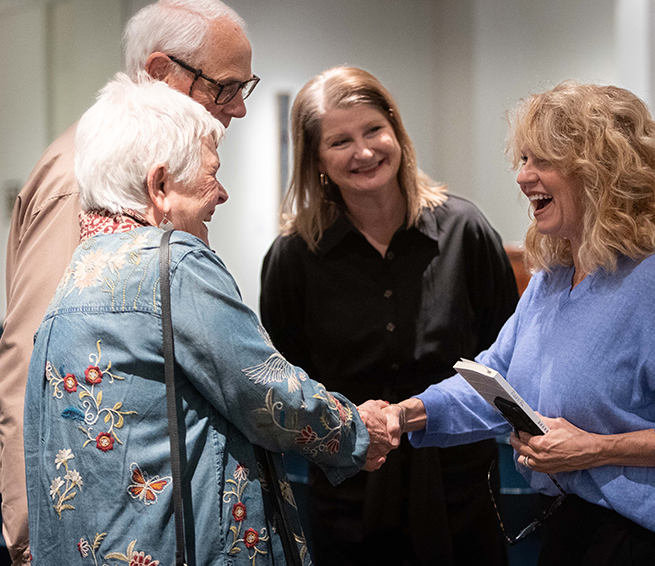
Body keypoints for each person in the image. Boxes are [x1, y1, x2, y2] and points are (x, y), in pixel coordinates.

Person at [384, 81, 655, 566]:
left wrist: (595, 449)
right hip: (569, 529)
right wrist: (404, 414)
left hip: (645, 547)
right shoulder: (552, 278)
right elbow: (494, 383)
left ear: (601, 172)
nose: (523, 177)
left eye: (541, 160)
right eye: (522, 160)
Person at [24, 74, 394, 566]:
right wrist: (358, 431)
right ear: (159, 186)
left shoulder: (75, 276)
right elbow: (267, 392)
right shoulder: (174, 262)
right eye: (211, 172)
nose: (221, 194)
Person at [1, 0, 256, 564]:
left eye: (245, 87)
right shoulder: (89, 176)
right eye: (225, 87)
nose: (238, 108)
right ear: (161, 72)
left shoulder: (129, 168)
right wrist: (25, 541)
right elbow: (33, 357)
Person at [259, 66, 519, 566]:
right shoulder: (293, 258)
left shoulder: (465, 232)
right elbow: (284, 389)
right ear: (315, 159)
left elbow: (507, 361)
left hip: (463, 493)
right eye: (339, 141)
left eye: (374, 130)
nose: (363, 152)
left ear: (396, 131)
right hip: (348, 502)